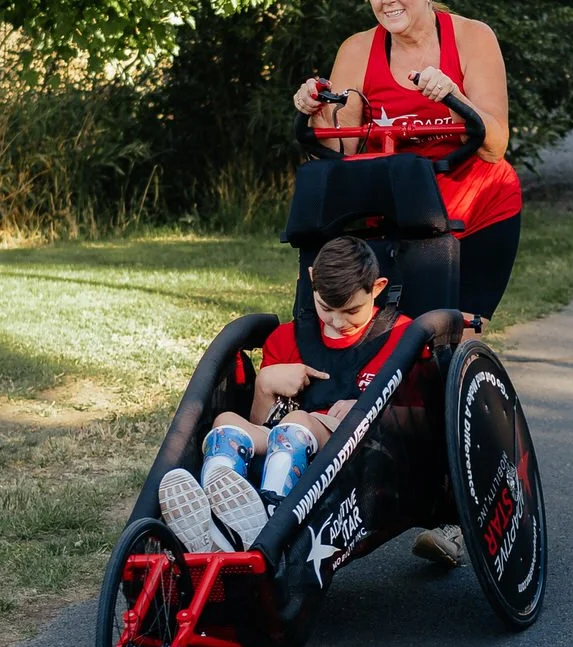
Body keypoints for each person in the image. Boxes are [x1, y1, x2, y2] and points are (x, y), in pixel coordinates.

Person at [154, 235, 458, 564]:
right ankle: (216, 526)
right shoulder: (286, 339)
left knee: (295, 423)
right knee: (225, 423)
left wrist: (367, 409)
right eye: (327, 308)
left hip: (360, 452)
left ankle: (269, 524)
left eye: (352, 310)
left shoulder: (402, 337)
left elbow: (419, 420)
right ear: (312, 281)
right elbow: (261, 425)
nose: (339, 322)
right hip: (285, 439)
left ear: (378, 287)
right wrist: (265, 386)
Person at [293, 0, 523, 318]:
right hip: (395, 201)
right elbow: (341, 151)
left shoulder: (472, 38)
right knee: (383, 327)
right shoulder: (357, 49)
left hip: (474, 201)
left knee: (450, 331)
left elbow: (495, 145)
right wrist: (314, 107)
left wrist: (454, 98)